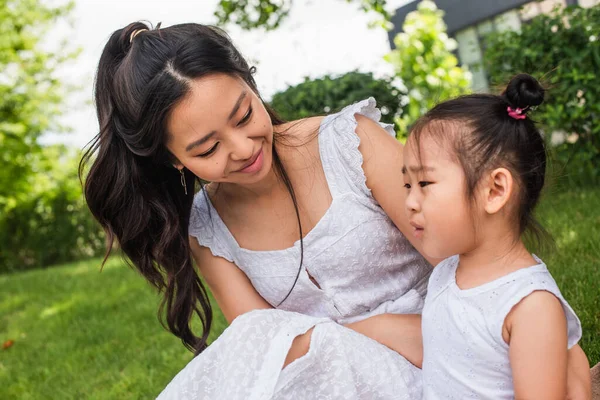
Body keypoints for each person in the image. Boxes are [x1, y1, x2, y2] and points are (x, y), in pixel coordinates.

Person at [81, 21, 590, 399]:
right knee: (258, 348)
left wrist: (544, 343)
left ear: (250, 82)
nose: (242, 148)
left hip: (453, 353)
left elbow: (474, 249)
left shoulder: (347, 143)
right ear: (172, 160)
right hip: (335, 383)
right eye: (207, 149)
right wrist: (352, 338)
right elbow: (267, 353)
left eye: (243, 114)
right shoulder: (206, 230)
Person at [401, 74, 589, 399]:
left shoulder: (530, 307)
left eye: (424, 184)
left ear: (494, 190)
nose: (409, 201)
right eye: (407, 185)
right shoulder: (447, 273)